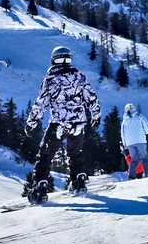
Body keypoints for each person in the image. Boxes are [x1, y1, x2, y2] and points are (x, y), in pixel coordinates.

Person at [25, 46, 101, 201]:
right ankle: (79, 181)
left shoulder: (51, 79)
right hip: (78, 122)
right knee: (75, 153)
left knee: (45, 155)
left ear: (53, 60)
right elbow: (91, 97)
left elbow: (41, 103)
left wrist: (31, 123)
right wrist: (96, 115)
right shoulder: (79, 76)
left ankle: (40, 187)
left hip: (59, 123)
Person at [120, 103, 148, 179]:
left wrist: (125, 144)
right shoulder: (140, 117)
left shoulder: (124, 121)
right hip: (140, 140)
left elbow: (122, 133)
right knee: (144, 158)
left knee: (134, 159)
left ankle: (131, 176)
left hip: (130, 143)